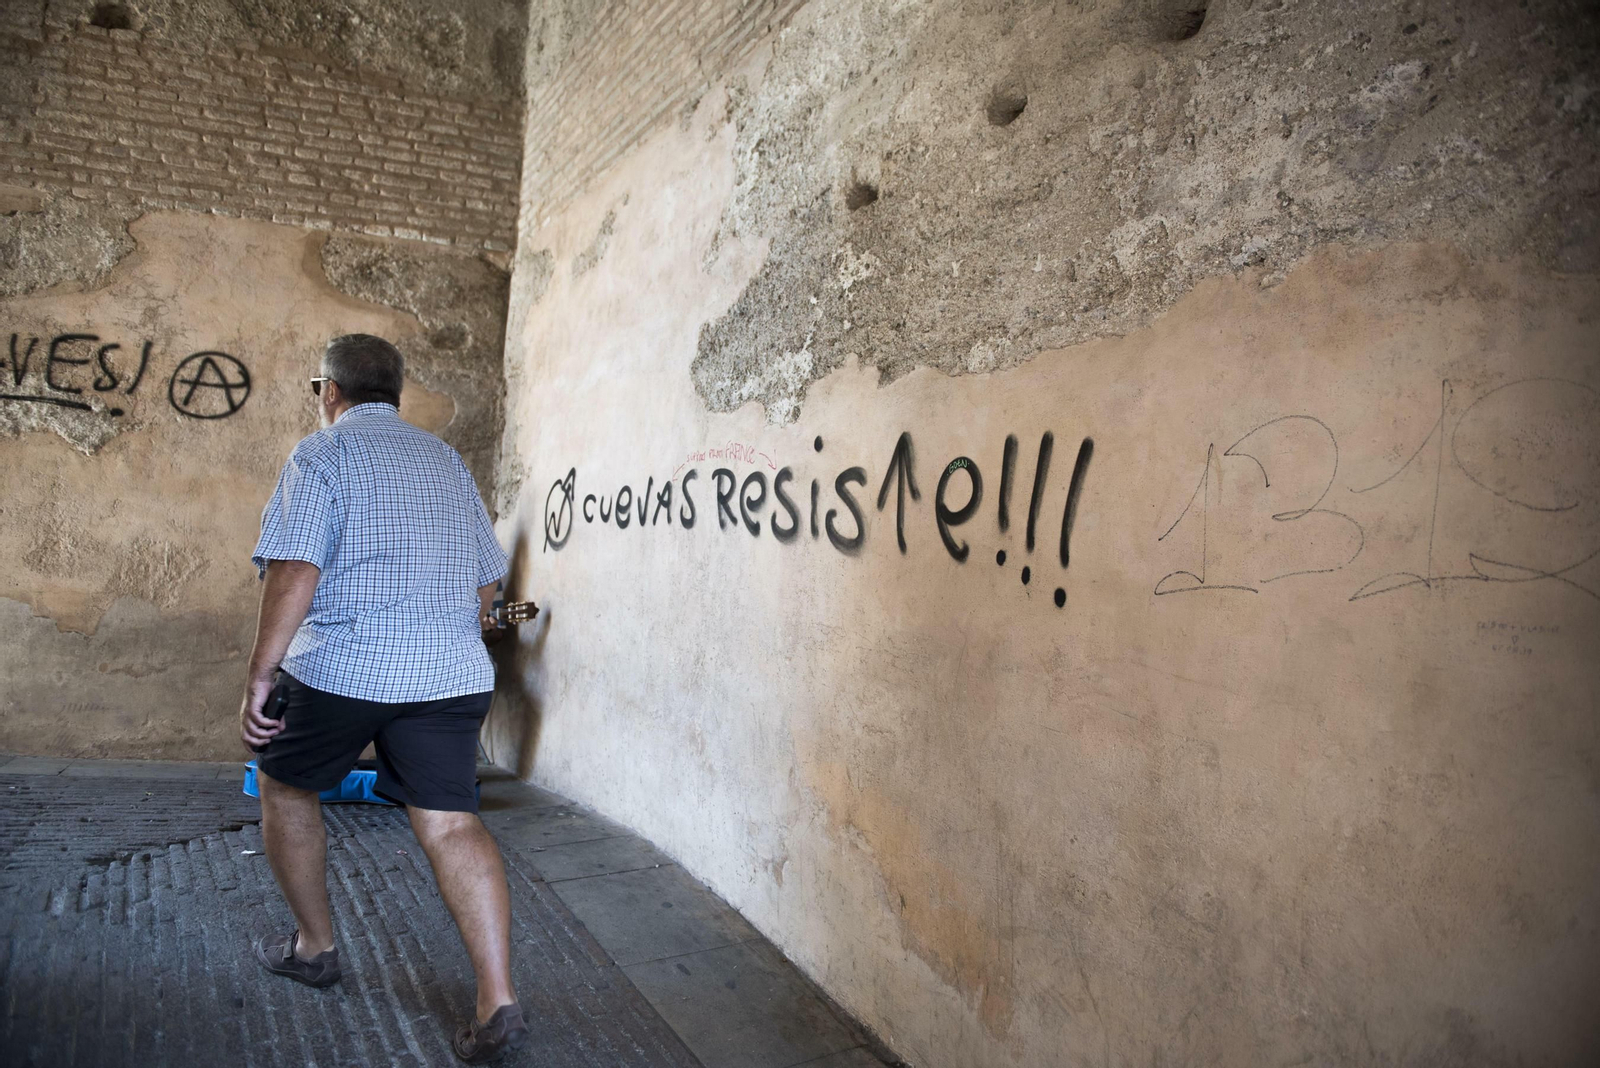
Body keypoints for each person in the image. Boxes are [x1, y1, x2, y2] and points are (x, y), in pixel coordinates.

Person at [238, 334, 526, 1063]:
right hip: (450, 675)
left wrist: (261, 673)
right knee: (452, 824)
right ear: (396, 393)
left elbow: (295, 571)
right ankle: (498, 997)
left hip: (343, 670)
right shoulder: (445, 459)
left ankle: (315, 948)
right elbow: (486, 582)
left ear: (327, 392)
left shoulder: (321, 455)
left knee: (286, 786)